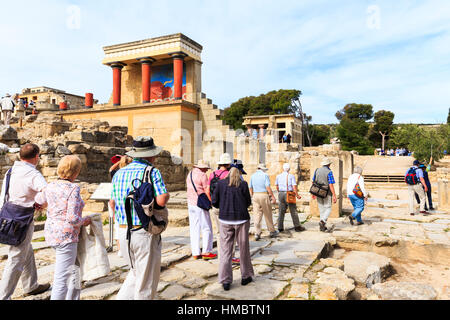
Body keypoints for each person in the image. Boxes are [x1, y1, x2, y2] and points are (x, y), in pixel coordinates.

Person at [110, 136, 170, 300]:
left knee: (136, 273)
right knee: (147, 281)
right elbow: (161, 199)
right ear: (150, 155)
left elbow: (113, 202)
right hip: (143, 230)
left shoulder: (118, 173)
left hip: (123, 230)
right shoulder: (151, 171)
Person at [35, 155, 91, 300]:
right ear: (76, 172)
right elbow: (72, 218)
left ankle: (73, 297)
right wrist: (84, 220)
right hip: (66, 236)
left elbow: (39, 202)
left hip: (52, 232)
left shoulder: (50, 185)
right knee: (62, 278)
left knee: (75, 269)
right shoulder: (73, 189)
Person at [0, 144, 50, 300]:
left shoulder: (10, 171)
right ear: (36, 157)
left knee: (26, 249)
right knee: (16, 258)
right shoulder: (33, 174)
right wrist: (40, 204)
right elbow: (46, 192)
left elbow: (3, 196)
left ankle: (31, 284)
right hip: (22, 220)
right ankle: (3, 296)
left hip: (7, 217)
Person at [212, 167, 254, 291]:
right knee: (243, 249)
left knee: (226, 251)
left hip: (225, 220)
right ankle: (245, 276)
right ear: (240, 173)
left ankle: (225, 280)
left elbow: (214, 202)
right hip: (241, 219)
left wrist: (224, 206)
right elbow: (247, 202)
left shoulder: (220, 184)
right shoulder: (243, 184)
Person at [186, 160, 217, 261]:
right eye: (206, 168)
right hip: (200, 204)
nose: (207, 170)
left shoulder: (190, 174)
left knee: (194, 228)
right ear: (202, 168)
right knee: (206, 227)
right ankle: (206, 251)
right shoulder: (203, 175)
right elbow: (206, 190)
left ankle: (195, 252)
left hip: (191, 204)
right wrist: (211, 201)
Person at [249, 164, 278, 240]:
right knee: (267, 213)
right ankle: (271, 231)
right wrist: (273, 196)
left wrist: (252, 195)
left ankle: (257, 233)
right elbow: (267, 187)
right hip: (263, 194)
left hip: (255, 195)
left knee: (257, 214)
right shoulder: (265, 175)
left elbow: (250, 187)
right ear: (263, 169)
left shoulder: (253, 175)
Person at [275, 163, 305, 233]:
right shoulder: (291, 176)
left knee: (281, 211)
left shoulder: (278, 176)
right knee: (293, 210)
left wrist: (280, 192)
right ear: (289, 169)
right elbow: (294, 186)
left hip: (280, 193)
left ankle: (280, 227)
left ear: (283, 168)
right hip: (289, 193)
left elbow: (277, 186)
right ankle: (297, 226)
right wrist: (297, 195)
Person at [311, 158, 338, 232]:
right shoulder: (329, 172)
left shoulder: (317, 170)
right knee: (328, 208)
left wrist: (313, 193)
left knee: (321, 209)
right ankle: (323, 221)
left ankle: (322, 226)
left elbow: (313, 181)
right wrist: (334, 195)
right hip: (327, 192)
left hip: (318, 191)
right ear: (328, 164)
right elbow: (331, 185)